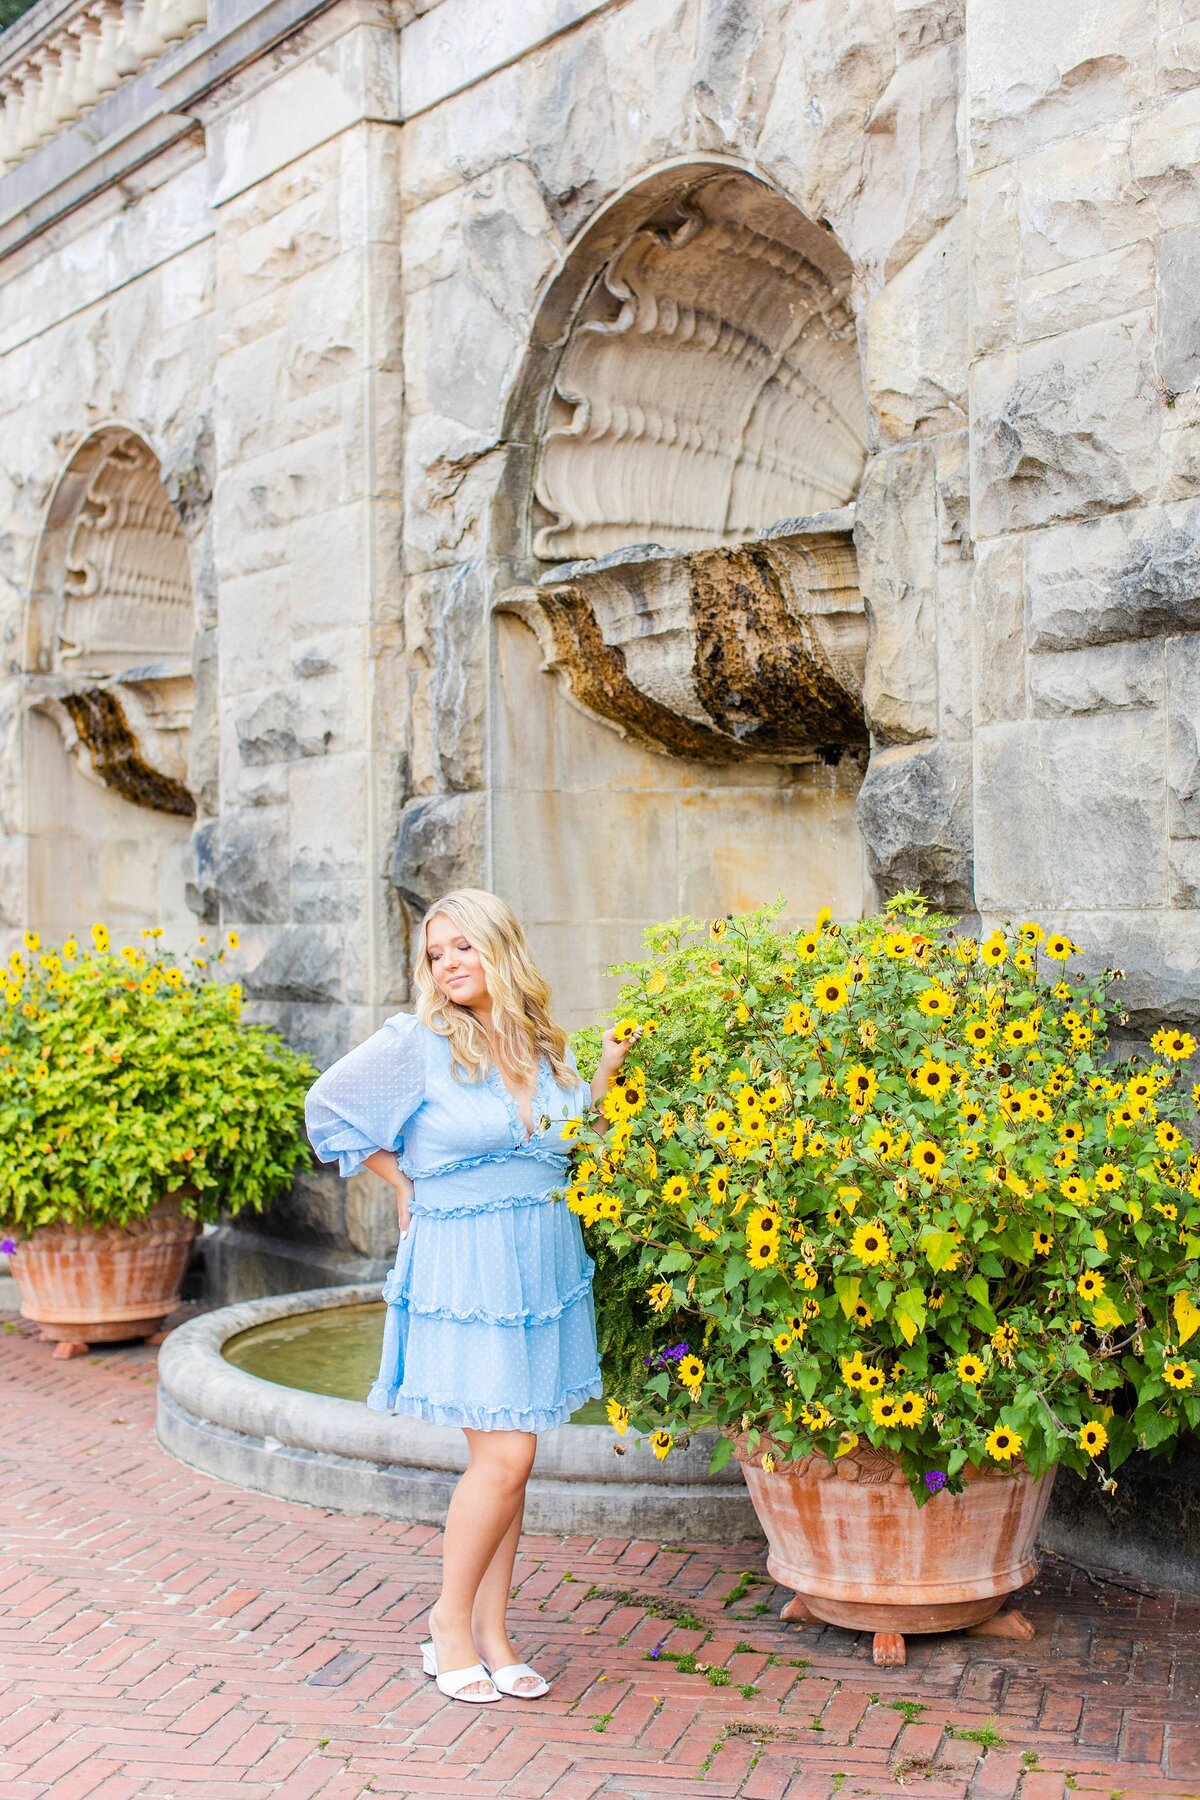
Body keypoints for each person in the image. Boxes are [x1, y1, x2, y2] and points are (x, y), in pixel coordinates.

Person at [304, 889, 636, 1704]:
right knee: (507, 1456)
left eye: (463, 947)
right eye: (435, 953)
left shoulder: (543, 1041)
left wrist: (603, 1071)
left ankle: (494, 1634)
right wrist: (400, 1181)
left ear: (500, 947)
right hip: (467, 1264)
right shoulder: (417, 1041)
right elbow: (328, 1107)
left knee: (510, 1461)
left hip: (541, 1260)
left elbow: (570, 1138)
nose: (448, 963)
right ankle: (449, 1625)